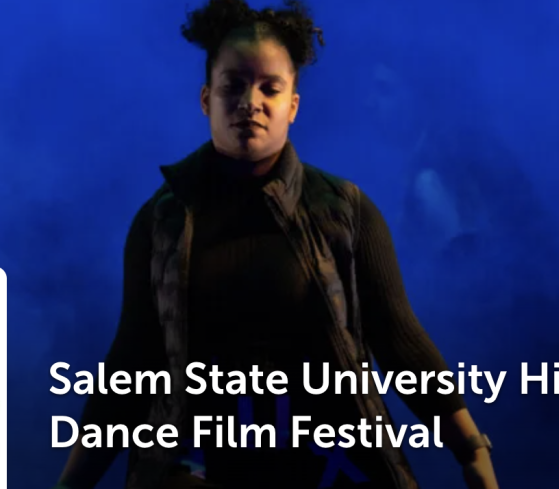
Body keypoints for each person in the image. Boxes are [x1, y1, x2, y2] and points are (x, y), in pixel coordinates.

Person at [53, 1, 500, 488]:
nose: (251, 101)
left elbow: (400, 341)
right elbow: (131, 365)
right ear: (206, 98)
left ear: (293, 106)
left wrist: (471, 450)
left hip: (326, 467)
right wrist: (72, 482)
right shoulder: (161, 221)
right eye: (233, 85)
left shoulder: (343, 211)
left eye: (271, 87)